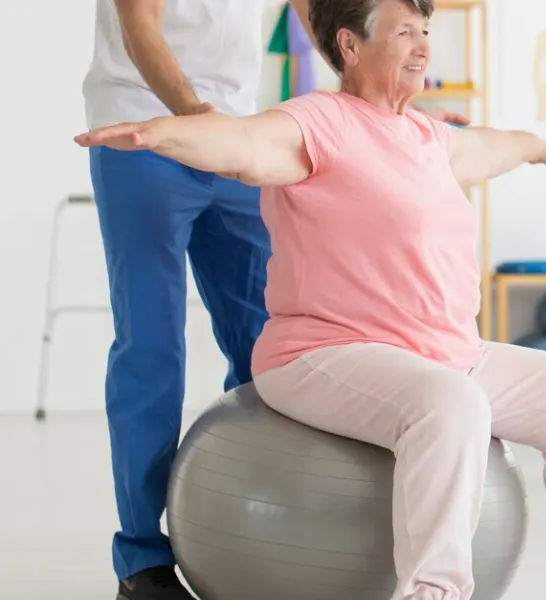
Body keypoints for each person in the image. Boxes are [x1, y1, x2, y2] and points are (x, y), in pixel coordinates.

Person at [80, 1, 467, 598]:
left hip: (236, 138)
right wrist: (195, 118)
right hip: (143, 132)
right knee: (152, 345)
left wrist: (368, 106)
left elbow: (324, 14)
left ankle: (270, 518)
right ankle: (141, 559)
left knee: (273, 338)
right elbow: (139, 28)